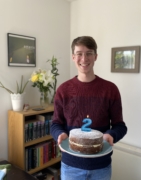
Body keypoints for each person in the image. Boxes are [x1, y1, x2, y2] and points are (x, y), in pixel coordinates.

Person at [50, 36, 127, 180]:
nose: (84, 59)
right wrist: (59, 135)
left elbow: (120, 126)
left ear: (96, 56)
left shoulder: (110, 89)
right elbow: (55, 124)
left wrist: (111, 135)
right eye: (79, 53)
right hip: (70, 166)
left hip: (101, 167)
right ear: (73, 57)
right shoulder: (63, 90)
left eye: (89, 53)